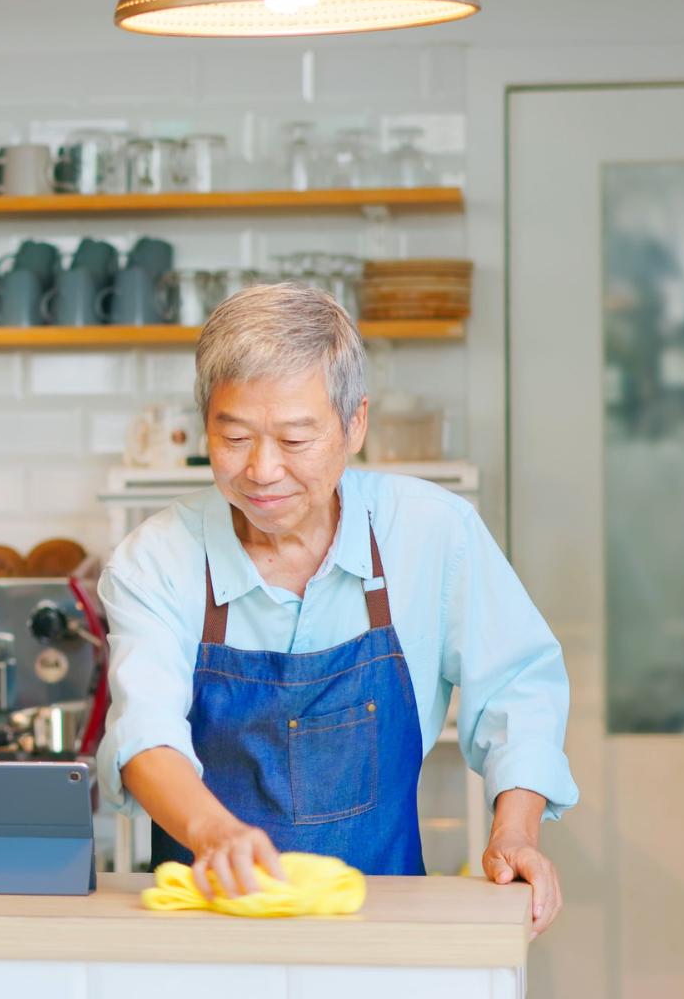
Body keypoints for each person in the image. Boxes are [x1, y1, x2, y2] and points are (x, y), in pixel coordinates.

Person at [98, 283, 577, 937]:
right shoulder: (155, 560)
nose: (263, 471)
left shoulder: (433, 532)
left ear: (355, 423)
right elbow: (143, 732)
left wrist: (516, 832)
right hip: (203, 936)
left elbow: (519, 689)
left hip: (388, 933)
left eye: (295, 440)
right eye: (234, 436)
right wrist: (214, 833)